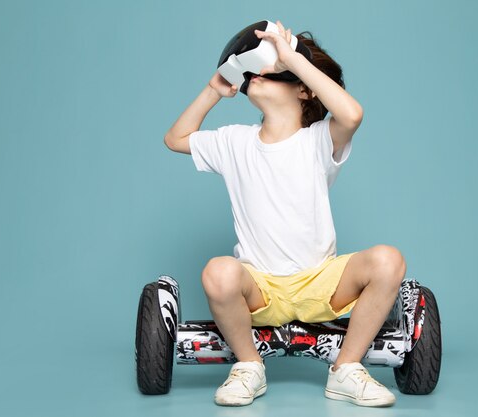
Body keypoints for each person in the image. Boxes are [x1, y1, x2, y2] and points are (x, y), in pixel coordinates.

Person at [164, 20, 406, 407]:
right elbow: (175, 138)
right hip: (260, 288)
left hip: (320, 280)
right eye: (254, 72)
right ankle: (248, 366)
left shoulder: (319, 140)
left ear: (304, 89)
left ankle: (346, 369)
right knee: (217, 271)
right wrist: (214, 90)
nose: (257, 77)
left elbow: (352, 114)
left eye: (274, 73)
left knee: (388, 261)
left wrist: (293, 57)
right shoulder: (234, 141)